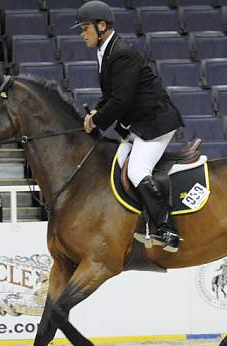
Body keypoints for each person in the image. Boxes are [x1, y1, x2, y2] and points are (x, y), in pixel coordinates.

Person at [73, 0, 185, 253]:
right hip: (140, 123)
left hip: (155, 123)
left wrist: (97, 120)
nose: (82, 34)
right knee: (118, 160)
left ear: (101, 26)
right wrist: (95, 112)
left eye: (85, 28)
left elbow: (122, 100)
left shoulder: (121, 52)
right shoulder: (107, 51)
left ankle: (166, 228)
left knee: (136, 170)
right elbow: (112, 94)